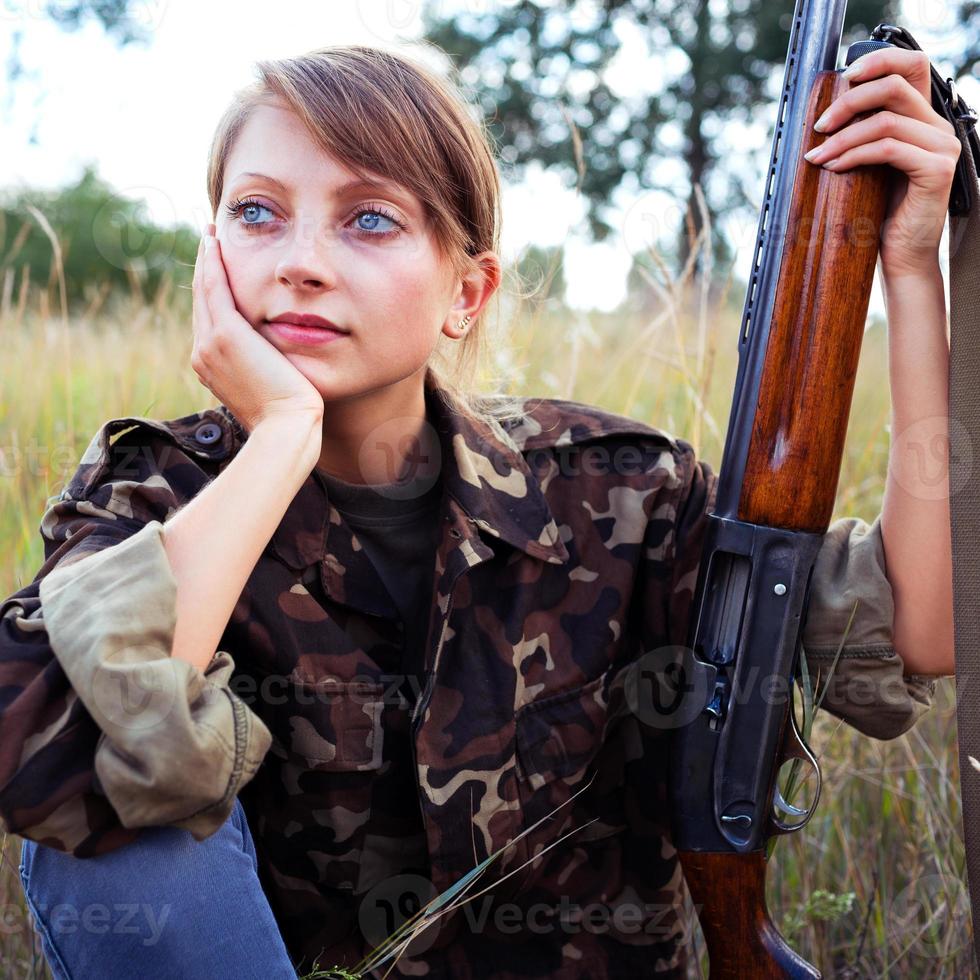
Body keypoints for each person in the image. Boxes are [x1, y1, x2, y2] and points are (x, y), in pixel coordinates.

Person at [2, 39, 957, 980]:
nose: (299, 263)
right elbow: (52, 753)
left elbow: (923, 628)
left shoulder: (620, 492)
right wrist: (281, 436)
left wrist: (915, 270)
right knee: (109, 827)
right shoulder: (157, 492)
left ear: (467, 292)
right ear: (211, 255)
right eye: (256, 213)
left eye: (369, 220)